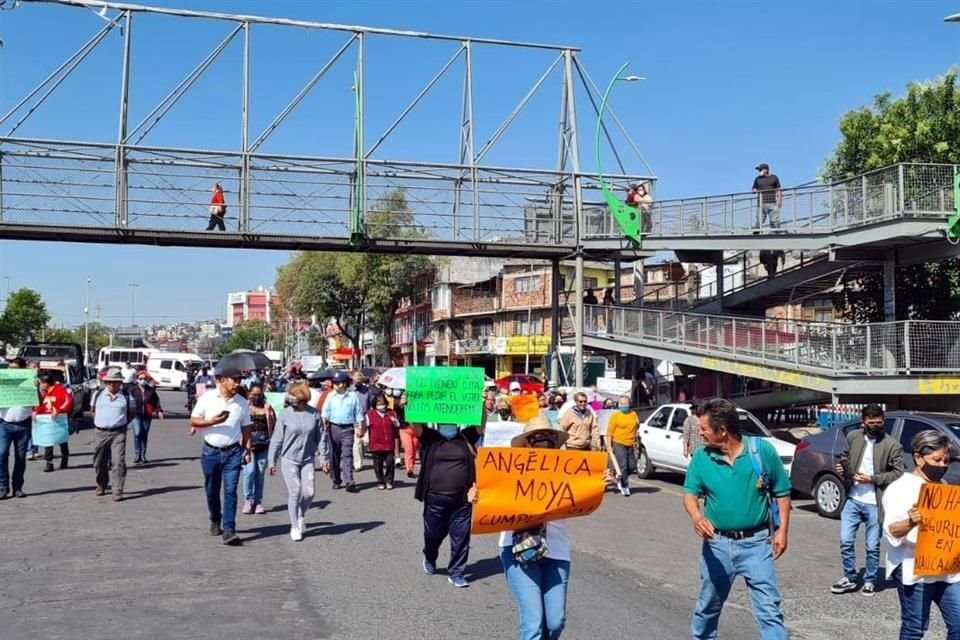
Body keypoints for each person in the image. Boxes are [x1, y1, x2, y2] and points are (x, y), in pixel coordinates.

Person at [467, 416, 615, 639]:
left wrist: (599, 482)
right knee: (533, 622)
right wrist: (476, 497)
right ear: (526, 443)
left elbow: (583, 491)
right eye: (537, 438)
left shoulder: (565, 469)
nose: (543, 442)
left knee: (555, 622)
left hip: (556, 551)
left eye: (549, 438)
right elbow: (490, 495)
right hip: (516, 549)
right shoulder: (510, 470)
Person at [682, 397, 791, 640]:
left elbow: (782, 492)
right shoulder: (701, 457)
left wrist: (782, 531)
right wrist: (697, 517)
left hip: (757, 544)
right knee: (708, 606)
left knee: (769, 610)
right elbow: (690, 494)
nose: (699, 433)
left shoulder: (761, 451)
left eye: (704, 428)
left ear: (722, 431)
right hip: (717, 544)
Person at [883, 430, 960, 639]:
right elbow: (892, 531)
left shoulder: (944, 488)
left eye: (946, 461)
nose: (942, 465)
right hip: (913, 568)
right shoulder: (900, 488)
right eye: (937, 460)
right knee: (915, 628)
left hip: (947, 568)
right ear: (918, 457)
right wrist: (910, 522)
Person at [831, 404, 904, 597]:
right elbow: (844, 457)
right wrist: (842, 469)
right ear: (863, 422)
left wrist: (872, 479)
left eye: (879, 422)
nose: (875, 426)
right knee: (846, 541)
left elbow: (898, 472)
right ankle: (849, 577)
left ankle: (870, 580)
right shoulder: (853, 437)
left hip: (875, 502)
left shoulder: (892, 445)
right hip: (853, 498)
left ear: (883, 421)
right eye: (871, 423)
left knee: (872, 545)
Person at [411, 415, 484, 589]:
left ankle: (456, 572)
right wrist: (410, 405)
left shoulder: (465, 436)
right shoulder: (430, 437)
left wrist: (480, 405)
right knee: (433, 535)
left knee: (461, 537)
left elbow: (481, 426)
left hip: (462, 499)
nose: (448, 423)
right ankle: (430, 556)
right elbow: (416, 426)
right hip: (435, 498)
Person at [190, 366, 252, 546]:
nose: (237, 384)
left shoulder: (241, 402)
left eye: (239, 380)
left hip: (233, 452)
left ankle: (229, 529)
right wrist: (212, 421)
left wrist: (247, 449)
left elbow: (246, 428)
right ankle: (215, 518)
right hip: (211, 451)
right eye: (234, 380)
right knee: (212, 489)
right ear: (222, 380)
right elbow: (194, 419)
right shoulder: (208, 397)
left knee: (230, 490)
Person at [268, 381, 329, 541]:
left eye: (293, 395)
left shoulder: (314, 414)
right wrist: (272, 461)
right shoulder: (285, 414)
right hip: (289, 459)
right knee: (295, 492)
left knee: (309, 493)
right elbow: (277, 439)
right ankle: (295, 526)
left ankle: (300, 514)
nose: (290, 398)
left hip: (307, 458)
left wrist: (323, 457)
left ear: (302, 397)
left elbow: (321, 437)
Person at [90, 370, 136, 501]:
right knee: (99, 461)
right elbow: (93, 411)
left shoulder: (126, 396)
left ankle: (117, 490)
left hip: (118, 433)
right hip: (100, 432)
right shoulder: (98, 394)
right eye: (109, 382)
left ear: (120, 383)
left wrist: (122, 423)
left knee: (118, 461)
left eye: (115, 382)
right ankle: (101, 484)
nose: (112, 384)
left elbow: (133, 412)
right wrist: (99, 422)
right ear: (105, 382)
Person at [321, 371, 363, 493]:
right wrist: (324, 422)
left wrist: (359, 426)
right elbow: (325, 412)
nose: (336, 385)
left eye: (339, 382)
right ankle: (336, 480)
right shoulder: (330, 396)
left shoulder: (352, 396)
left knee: (347, 455)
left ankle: (349, 481)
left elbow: (358, 412)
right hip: (333, 428)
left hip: (348, 429)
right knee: (334, 455)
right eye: (335, 383)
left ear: (345, 383)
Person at [0, 358, 33, 499]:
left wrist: (36, 388)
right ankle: (3, 487)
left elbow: (38, 401)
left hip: (23, 425)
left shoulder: (30, 382)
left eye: (15, 368)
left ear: (22, 370)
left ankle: (17, 487)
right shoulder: (3, 383)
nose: (11, 371)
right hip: (5, 425)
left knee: (20, 457)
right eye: (10, 368)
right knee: (1, 454)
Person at [242, 382, 276, 515]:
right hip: (248, 445)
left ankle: (257, 502)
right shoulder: (244, 407)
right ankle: (248, 500)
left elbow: (274, 425)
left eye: (259, 394)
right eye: (253, 394)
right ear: (249, 394)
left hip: (264, 444)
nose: (256, 397)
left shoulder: (268, 407)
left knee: (260, 474)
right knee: (249, 472)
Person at [36, 371, 73, 473]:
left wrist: (59, 410)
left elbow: (68, 401)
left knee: (62, 440)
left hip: (59, 419)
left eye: (40, 383)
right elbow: (42, 405)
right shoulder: (45, 392)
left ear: (46, 383)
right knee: (48, 441)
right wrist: (36, 411)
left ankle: (64, 458)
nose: (40, 385)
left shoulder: (60, 390)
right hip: (47, 419)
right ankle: (49, 462)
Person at [605, 396, 638, 497]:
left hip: (630, 443)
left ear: (629, 404)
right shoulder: (615, 415)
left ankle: (618, 476)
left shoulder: (633, 414)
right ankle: (624, 485)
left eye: (625, 404)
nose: (623, 406)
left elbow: (636, 426)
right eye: (621, 404)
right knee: (623, 465)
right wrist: (609, 445)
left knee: (632, 466)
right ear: (618, 405)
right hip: (618, 442)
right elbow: (609, 431)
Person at [366, 394, 399, 490]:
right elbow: (365, 427)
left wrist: (394, 420)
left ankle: (389, 481)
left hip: (389, 444)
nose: (382, 406)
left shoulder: (391, 413)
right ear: (375, 405)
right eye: (379, 404)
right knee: (378, 465)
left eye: (383, 404)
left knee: (390, 462)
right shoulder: (370, 414)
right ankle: (380, 481)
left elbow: (397, 425)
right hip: (376, 444)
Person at [131, 371, 164, 465]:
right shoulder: (133, 390)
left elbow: (156, 401)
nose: (143, 380)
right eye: (140, 379)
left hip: (147, 414)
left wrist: (159, 411)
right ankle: (137, 454)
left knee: (144, 434)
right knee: (137, 433)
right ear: (137, 380)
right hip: (136, 415)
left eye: (144, 379)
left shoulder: (150, 390)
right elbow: (127, 401)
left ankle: (142, 455)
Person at [396, 390, 419, 479]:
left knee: (414, 449)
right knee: (409, 449)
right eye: (403, 397)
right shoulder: (400, 405)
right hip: (404, 428)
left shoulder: (417, 403)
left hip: (416, 428)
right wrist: (401, 405)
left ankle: (411, 466)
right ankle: (409, 469)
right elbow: (396, 414)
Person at [752, 163, 782, 232]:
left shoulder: (774, 177)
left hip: (772, 202)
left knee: (774, 220)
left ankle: (776, 233)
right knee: (759, 220)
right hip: (760, 203)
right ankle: (756, 234)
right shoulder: (757, 178)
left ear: (766, 170)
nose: (759, 171)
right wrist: (755, 190)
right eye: (759, 170)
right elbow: (753, 189)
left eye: (760, 170)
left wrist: (780, 201)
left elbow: (779, 190)